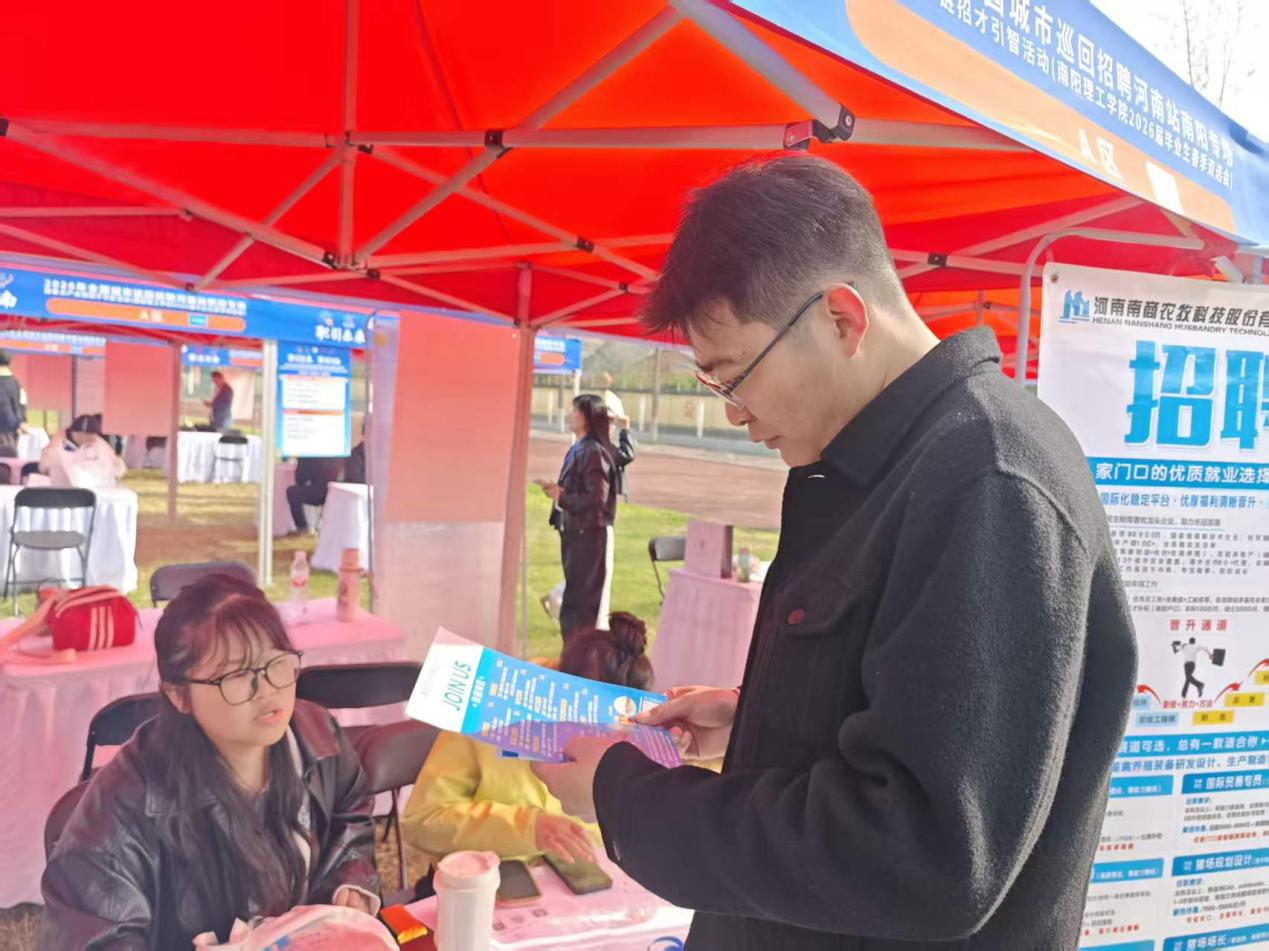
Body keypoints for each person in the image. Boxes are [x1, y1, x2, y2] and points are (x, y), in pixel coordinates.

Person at [532, 155, 1138, 950]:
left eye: (732, 375)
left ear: (842, 319)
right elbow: (916, 709)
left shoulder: (987, 478)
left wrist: (624, 796)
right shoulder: (890, 466)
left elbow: (926, 852)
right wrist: (761, 716)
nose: (734, 413)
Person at [42, 574, 380, 949]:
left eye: (276, 662)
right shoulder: (122, 808)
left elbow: (350, 810)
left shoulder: (316, 735)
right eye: (237, 675)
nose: (267, 690)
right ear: (179, 696)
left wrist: (350, 882)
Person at [400, 612, 654, 896]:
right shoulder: (484, 708)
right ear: (558, 683)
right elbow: (421, 821)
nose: (591, 736)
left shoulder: (628, 727)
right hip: (478, 888)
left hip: (582, 888)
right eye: (586, 720)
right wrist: (529, 827)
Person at [540, 394, 619, 639]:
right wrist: (559, 493)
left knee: (582, 608)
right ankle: (574, 653)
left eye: (575, 411)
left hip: (589, 535)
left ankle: (581, 654)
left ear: (587, 418)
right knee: (573, 605)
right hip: (575, 533)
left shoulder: (594, 452)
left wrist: (562, 497)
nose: (570, 415)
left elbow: (597, 499)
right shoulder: (579, 448)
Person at [36, 414, 127, 488]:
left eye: (94, 435)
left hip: (96, 488)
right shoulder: (57, 444)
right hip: (62, 490)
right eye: (90, 436)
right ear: (79, 433)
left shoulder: (98, 442)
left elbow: (117, 466)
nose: (93, 439)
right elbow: (43, 467)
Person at [286, 456, 344, 535]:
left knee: (292, 492)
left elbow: (300, 479)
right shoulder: (338, 454)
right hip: (337, 492)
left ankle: (302, 527)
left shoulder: (308, 455)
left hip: (318, 492)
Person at [0, 349, 27, 453]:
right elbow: (22, 403)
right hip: (13, 434)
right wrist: (21, 422)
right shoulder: (16, 383)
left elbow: (4, 407)